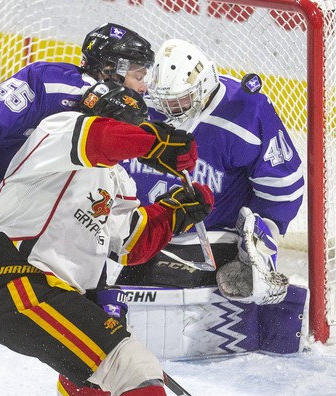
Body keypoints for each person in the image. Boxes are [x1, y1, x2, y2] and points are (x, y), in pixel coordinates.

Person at [0, 80, 212, 395]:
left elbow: (129, 244)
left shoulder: (116, 179)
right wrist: (153, 143)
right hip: (22, 288)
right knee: (135, 369)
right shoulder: (58, 130)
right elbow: (100, 138)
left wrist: (176, 213)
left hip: (55, 297)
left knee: (93, 386)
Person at [0, 22, 154, 364]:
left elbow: (99, 226)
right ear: (111, 68)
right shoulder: (51, 83)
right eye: (139, 73)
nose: (145, 86)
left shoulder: (112, 133)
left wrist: (101, 293)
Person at [115, 39, 306, 349]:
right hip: (146, 227)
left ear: (203, 87)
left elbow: (283, 187)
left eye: (180, 100)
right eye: (163, 100)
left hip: (212, 236)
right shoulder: (141, 104)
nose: (169, 110)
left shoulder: (246, 111)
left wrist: (261, 239)